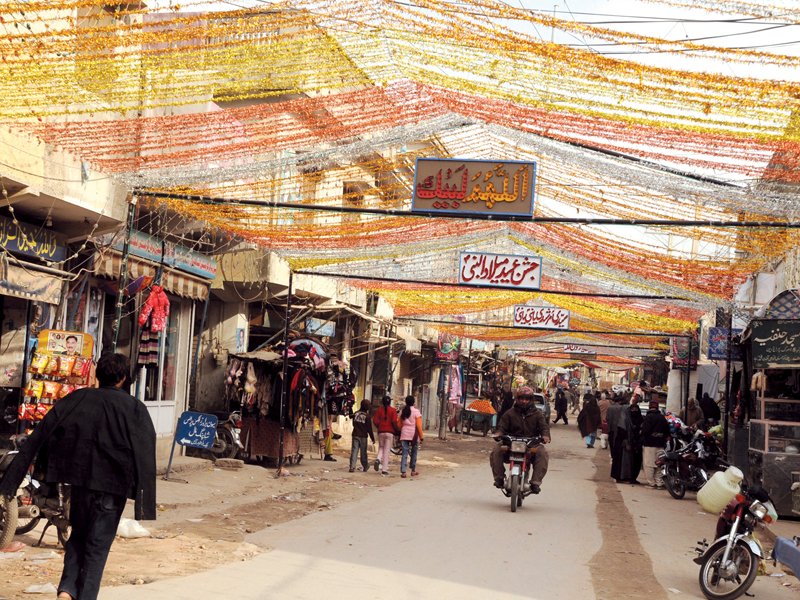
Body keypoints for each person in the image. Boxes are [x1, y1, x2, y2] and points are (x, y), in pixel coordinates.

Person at [0, 353, 156, 600]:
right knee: (97, 548)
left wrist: (11, 480)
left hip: (80, 486)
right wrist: (144, 499)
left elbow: (40, 434)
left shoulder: (77, 399)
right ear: (125, 378)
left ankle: (66, 591)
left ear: (96, 374)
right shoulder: (134, 408)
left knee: (78, 539)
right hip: (111, 490)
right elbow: (146, 451)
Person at [490, 386, 551, 494]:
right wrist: (498, 434)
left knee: (543, 453)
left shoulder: (538, 414)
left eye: (527, 399)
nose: (524, 401)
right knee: (496, 450)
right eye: (521, 398)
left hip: (531, 445)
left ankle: (535, 482)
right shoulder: (509, 413)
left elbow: (544, 427)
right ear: (517, 399)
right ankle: (499, 478)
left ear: (531, 400)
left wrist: (545, 436)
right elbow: (501, 427)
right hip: (511, 444)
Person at [640, 399, 670, 488]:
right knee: (659, 464)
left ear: (650, 407)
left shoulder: (648, 417)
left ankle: (651, 483)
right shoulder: (662, 417)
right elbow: (667, 431)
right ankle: (659, 483)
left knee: (649, 464)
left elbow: (645, 431)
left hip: (649, 444)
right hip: (660, 444)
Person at [371, 395, 399, 475]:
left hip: (381, 431)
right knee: (386, 451)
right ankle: (384, 469)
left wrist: (379, 426)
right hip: (389, 433)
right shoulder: (393, 410)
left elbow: (375, 421)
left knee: (381, 448)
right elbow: (394, 421)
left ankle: (378, 459)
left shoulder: (379, 410)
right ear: (390, 402)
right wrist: (396, 430)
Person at [397, 395, 423, 478]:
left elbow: (399, 423)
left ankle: (403, 471)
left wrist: (403, 429)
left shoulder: (403, 411)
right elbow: (418, 426)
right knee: (414, 452)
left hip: (404, 434)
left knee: (404, 453)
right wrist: (421, 436)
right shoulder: (416, 412)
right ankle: (413, 470)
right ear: (414, 402)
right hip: (414, 435)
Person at [349, 399, 375, 473]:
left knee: (354, 451)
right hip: (363, 436)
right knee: (363, 452)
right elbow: (369, 429)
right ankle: (365, 466)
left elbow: (353, 424)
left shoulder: (356, 413)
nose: (369, 407)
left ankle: (352, 467)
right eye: (369, 405)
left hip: (355, 434)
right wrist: (372, 438)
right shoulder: (367, 416)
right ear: (366, 407)